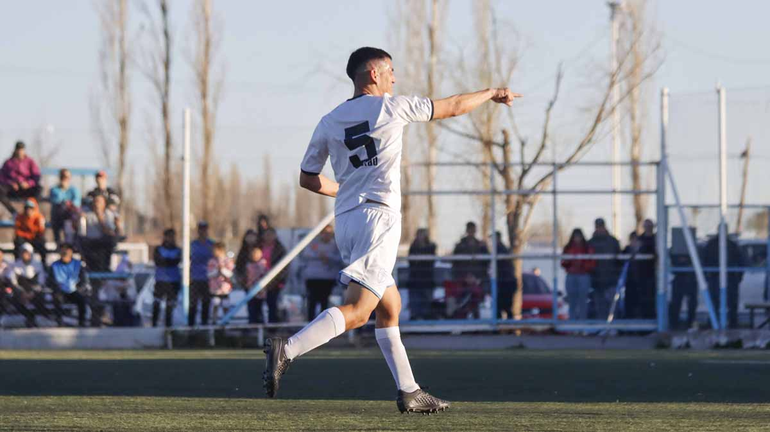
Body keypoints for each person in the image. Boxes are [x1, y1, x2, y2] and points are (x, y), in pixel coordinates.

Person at [263, 46, 519, 414]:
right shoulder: (391, 106)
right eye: (391, 71)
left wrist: (346, 189)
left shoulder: (330, 120)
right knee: (358, 310)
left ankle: (409, 390)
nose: (394, 78)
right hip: (377, 221)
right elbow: (453, 106)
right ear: (373, 74)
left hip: (348, 221)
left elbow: (308, 178)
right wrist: (492, 93)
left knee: (390, 306)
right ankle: (287, 350)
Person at [703, 229, 746, 329]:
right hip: (727, 277)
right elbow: (741, 262)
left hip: (717, 277)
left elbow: (704, 261)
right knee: (730, 303)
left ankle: (713, 324)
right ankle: (732, 324)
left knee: (716, 302)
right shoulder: (732, 244)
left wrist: (706, 276)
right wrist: (739, 276)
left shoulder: (712, 244)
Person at [301, 225, 343, 321]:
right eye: (324, 233)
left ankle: (324, 323)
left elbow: (340, 258)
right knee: (312, 301)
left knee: (324, 302)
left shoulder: (335, 245)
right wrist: (320, 256)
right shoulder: (313, 244)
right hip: (313, 278)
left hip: (327, 278)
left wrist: (327, 257)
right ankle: (309, 323)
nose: (327, 235)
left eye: (329, 233)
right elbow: (306, 253)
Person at [48, 243, 89, 327]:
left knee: (81, 299)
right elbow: (50, 281)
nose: (64, 252)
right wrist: (57, 288)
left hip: (74, 290)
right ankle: (59, 321)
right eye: (62, 250)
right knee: (57, 298)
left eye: (67, 250)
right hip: (60, 291)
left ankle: (82, 322)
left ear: (71, 252)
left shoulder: (78, 264)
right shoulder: (54, 266)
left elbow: (83, 281)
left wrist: (78, 288)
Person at [78, 194, 122, 274]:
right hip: (90, 242)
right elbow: (80, 230)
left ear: (104, 203)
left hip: (103, 243)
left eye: (99, 201)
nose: (96, 203)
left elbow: (110, 232)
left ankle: (104, 270)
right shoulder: (87, 214)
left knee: (108, 243)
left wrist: (100, 217)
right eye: (95, 201)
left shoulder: (108, 214)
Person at [588, 218, 621, 320]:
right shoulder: (590, 242)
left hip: (611, 279)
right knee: (599, 306)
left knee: (613, 305)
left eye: (601, 226)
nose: (599, 229)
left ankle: (613, 327)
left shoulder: (613, 241)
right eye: (598, 226)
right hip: (597, 280)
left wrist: (617, 274)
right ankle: (601, 327)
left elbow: (619, 259)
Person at [9, 243, 47, 327]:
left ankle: (33, 318)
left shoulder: (37, 264)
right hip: (21, 292)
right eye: (23, 252)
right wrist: (22, 292)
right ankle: (28, 317)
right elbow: (13, 281)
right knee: (14, 300)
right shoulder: (16, 265)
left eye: (27, 253)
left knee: (40, 299)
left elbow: (41, 282)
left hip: (35, 292)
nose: (25, 255)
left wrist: (32, 292)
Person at [561, 228, 595, 321]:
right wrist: (569, 263)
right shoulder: (568, 247)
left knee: (582, 301)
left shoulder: (587, 247)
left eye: (579, 236)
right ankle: (572, 324)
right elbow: (563, 262)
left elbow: (592, 262)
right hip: (571, 275)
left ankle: (582, 324)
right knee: (572, 301)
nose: (577, 239)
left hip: (583, 275)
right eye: (575, 236)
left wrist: (583, 266)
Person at [0, 141, 41, 216]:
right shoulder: (8, 162)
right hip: (12, 189)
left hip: (26, 188)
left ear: (24, 150)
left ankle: (32, 210)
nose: (20, 151)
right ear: (15, 150)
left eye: (21, 149)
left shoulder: (30, 161)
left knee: (39, 188)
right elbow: (1, 177)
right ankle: (14, 213)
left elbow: (36, 176)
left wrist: (28, 183)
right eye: (18, 149)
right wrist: (10, 183)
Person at [256, 228, 287, 323]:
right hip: (258, 280)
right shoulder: (258, 247)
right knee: (257, 304)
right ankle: (258, 325)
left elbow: (284, 266)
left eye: (271, 234)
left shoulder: (280, 249)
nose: (268, 237)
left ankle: (272, 326)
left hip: (274, 282)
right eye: (267, 234)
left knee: (272, 304)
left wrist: (277, 280)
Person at [152, 228, 181, 327]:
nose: (171, 239)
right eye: (168, 236)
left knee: (170, 306)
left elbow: (175, 261)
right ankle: (154, 325)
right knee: (157, 304)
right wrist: (168, 261)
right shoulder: (158, 249)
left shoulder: (178, 250)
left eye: (172, 236)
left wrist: (166, 261)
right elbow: (158, 262)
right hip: (160, 281)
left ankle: (168, 327)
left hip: (173, 281)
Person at [407, 228, 436, 320]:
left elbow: (430, 261)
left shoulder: (431, 246)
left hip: (427, 279)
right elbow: (411, 262)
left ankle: (427, 316)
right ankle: (415, 316)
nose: (420, 237)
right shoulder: (413, 247)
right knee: (415, 300)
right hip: (415, 280)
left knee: (427, 300)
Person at [189, 221, 214, 326]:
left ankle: (204, 324)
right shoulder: (193, 245)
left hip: (208, 278)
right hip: (195, 278)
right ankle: (191, 325)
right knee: (193, 303)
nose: (203, 231)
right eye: (201, 229)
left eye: (204, 229)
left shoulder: (211, 245)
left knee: (206, 303)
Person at [235, 229, 262, 323]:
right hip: (248, 282)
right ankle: (252, 321)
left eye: (253, 236)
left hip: (259, 283)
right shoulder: (243, 252)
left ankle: (259, 321)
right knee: (251, 303)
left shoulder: (259, 249)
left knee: (259, 303)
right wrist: (241, 279)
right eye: (248, 236)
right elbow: (238, 266)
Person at [49, 169, 82, 245]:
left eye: (67, 177)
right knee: (60, 207)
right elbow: (56, 200)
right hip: (58, 216)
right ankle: (59, 243)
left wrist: (68, 203)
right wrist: (63, 190)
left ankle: (72, 243)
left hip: (70, 217)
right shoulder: (54, 189)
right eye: (62, 177)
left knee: (73, 215)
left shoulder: (74, 189)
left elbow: (77, 202)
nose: (65, 179)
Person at [668, 253, 698, 330]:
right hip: (687, 278)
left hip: (684, 278)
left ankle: (676, 324)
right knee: (679, 302)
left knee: (678, 302)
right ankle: (686, 323)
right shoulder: (675, 252)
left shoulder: (674, 252)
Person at [207, 242, 235, 323]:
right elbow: (209, 274)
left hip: (225, 289)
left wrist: (222, 269)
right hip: (215, 289)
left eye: (215, 250)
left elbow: (230, 274)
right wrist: (217, 271)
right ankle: (214, 322)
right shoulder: (212, 261)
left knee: (225, 305)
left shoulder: (228, 261)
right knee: (215, 305)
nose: (213, 252)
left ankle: (226, 321)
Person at [14, 198, 47, 266]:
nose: (28, 210)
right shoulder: (20, 217)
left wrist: (32, 231)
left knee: (42, 241)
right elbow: (18, 231)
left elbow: (41, 230)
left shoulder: (39, 217)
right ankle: (17, 262)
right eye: (27, 208)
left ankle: (44, 263)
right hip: (25, 238)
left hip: (35, 238)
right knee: (17, 241)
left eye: (31, 208)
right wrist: (28, 234)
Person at [494, 232, 517, 320]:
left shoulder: (500, 249)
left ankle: (504, 328)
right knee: (503, 307)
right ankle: (506, 327)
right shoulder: (502, 248)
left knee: (503, 307)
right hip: (506, 282)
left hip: (505, 282)